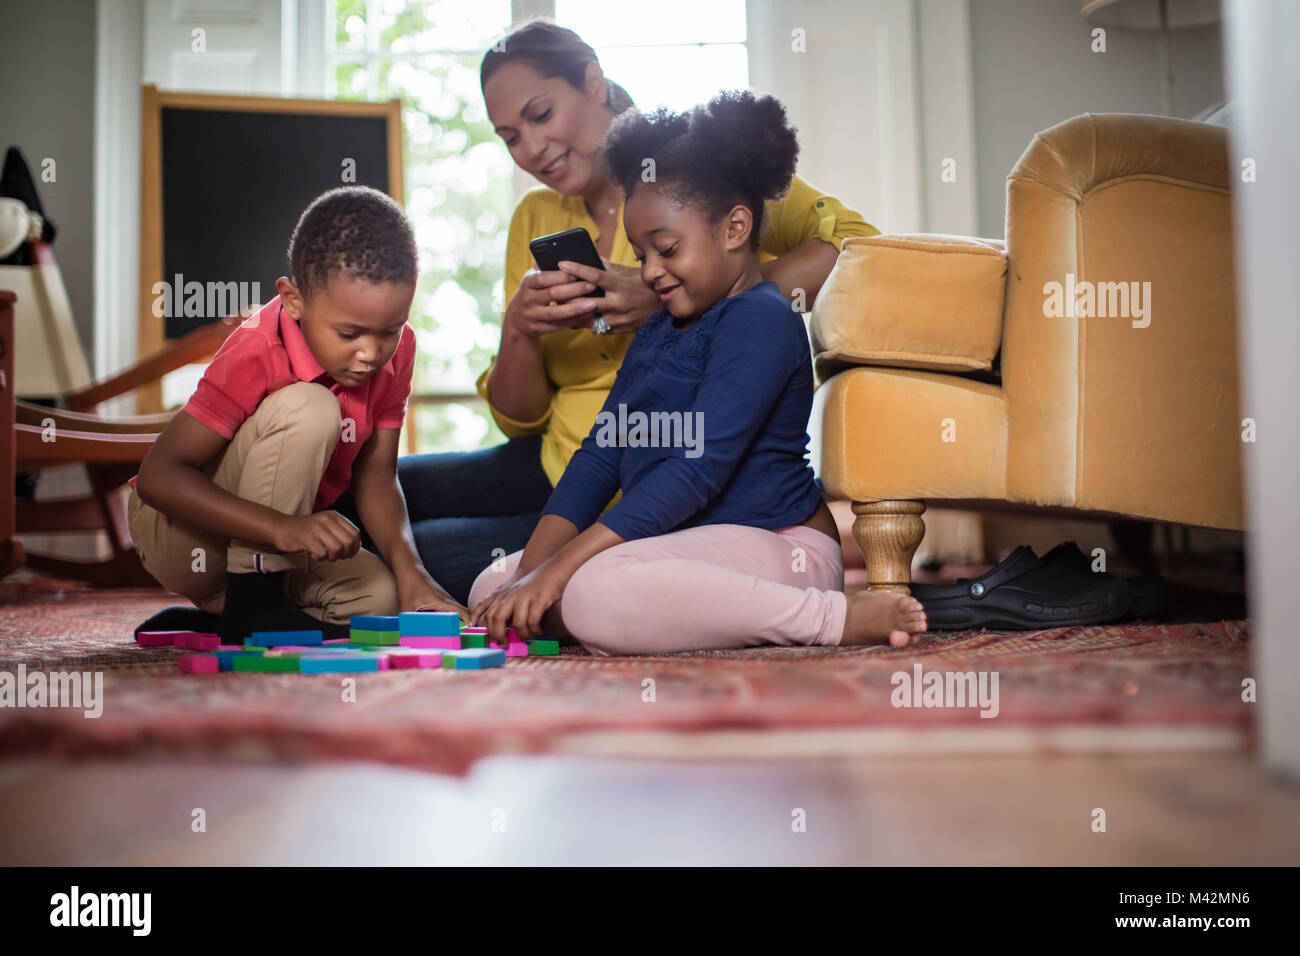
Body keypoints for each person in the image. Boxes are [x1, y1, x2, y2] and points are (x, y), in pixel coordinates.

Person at [396, 20, 881, 603]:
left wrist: (685, 305)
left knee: (414, 555)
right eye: (509, 136)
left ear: (594, 82)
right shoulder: (536, 215)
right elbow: (524, 422)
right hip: (562, 459)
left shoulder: (698, 173)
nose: (530, 148)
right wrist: (518, 330)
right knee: (370, 501)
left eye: (541, 114)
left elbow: (862, 250)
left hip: (656, 484)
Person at [467, 91, 928, 656]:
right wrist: (530, 575)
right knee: (492, 583)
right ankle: (629, 610)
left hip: (781, 548)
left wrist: (560, 573)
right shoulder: (658, 330)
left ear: (735, 228)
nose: (651, 272)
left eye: (666, 249)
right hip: (690, 545)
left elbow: (698, 469)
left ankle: (831, 617)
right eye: (641, 255)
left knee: (587, 590)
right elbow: (600, 456)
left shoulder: (762, 319)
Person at [128, 186, 466, 643]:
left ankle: (234, 617)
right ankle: (252, 604)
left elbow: (378, 476)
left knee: (377, 599)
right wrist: (282, 528)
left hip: (280, 542)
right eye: (349, 332)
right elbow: (159, 477)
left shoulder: (397, 351)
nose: (371, 353)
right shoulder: (258, 347)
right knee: (309, 405)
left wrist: (413, 574)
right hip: (184, 537)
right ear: (293, 300)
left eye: (389, 330)